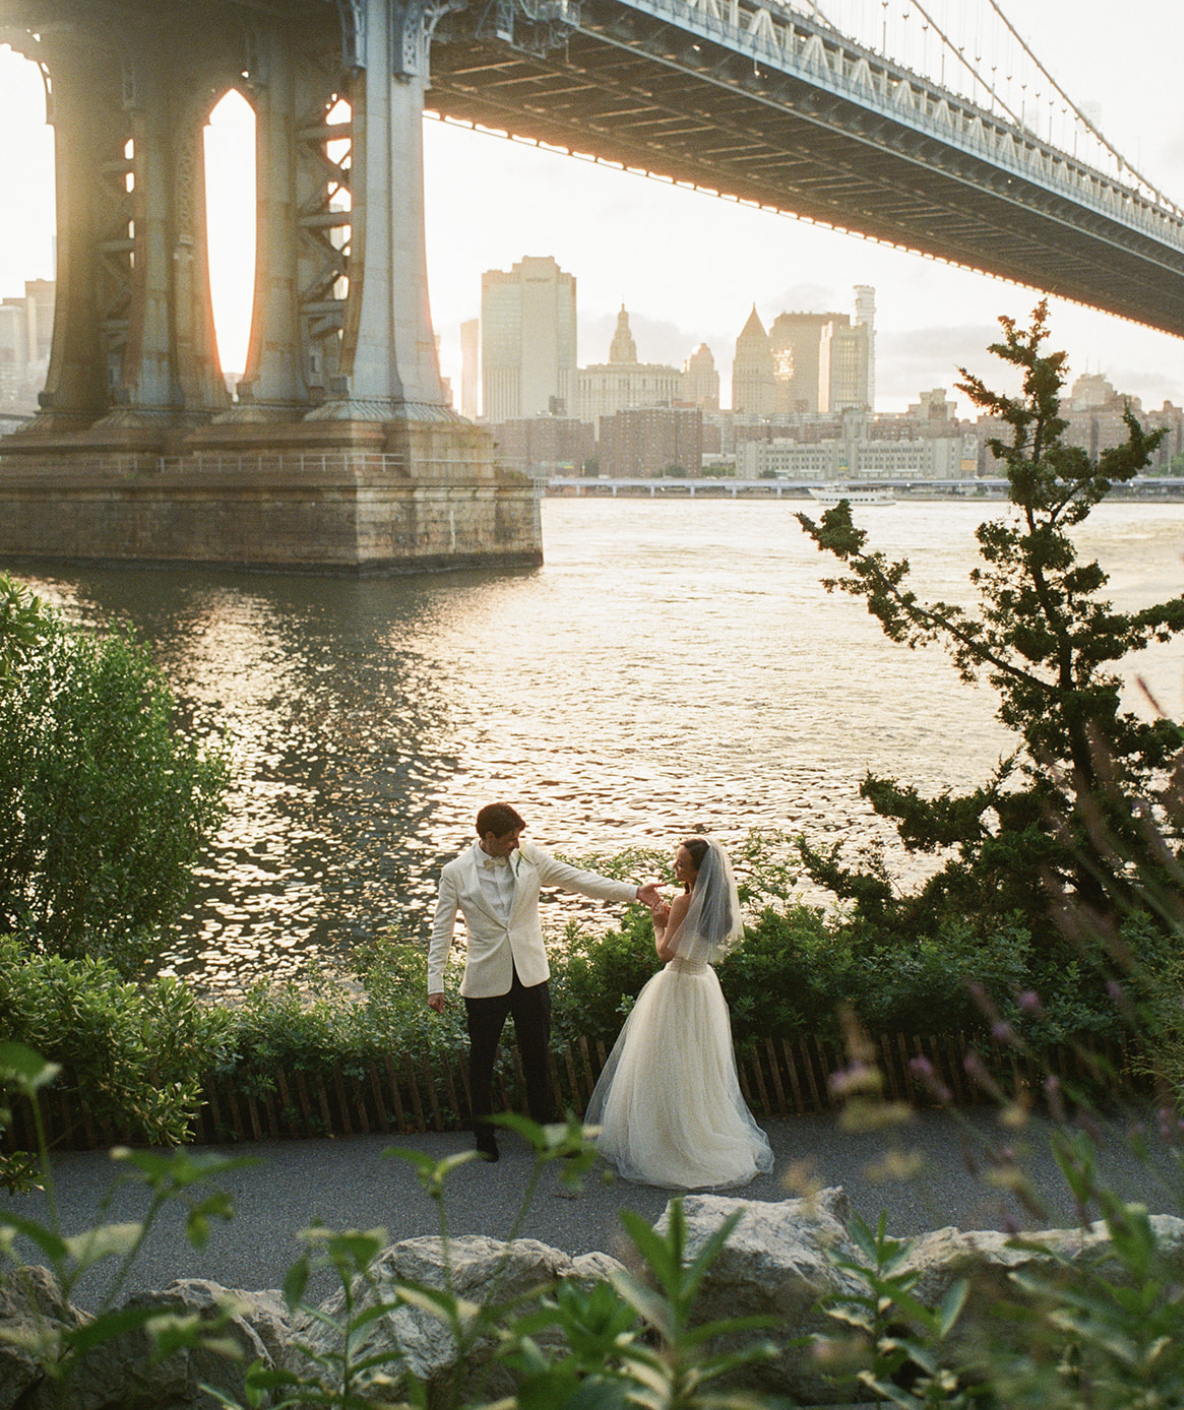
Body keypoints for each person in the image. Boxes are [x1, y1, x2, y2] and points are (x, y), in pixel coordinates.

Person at [428, 802, 663, 1161]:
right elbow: (442, 928)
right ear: (488, 837)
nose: (516, 843)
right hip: (484, 980)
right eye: (509, 838)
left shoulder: (530, 857)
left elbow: (578, 879)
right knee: (482, 1062)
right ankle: (484, 1137)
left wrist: (633, 892)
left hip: (531, 976)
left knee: (538, 1059)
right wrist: (436, 981)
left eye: (518, 837)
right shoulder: (455, 872)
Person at [584, 836, 774, 1188]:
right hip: (703, 984)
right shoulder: (719, 905)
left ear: (699, 871)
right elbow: (694, 942)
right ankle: (696, 1127)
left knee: (665, 1061)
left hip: (677, 985)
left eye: (682, 864)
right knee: (697, 1064)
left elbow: (666, 953)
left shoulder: (683, 902)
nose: (675, 867)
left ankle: (666, 1138)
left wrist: (658, 922)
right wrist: (674, 921)